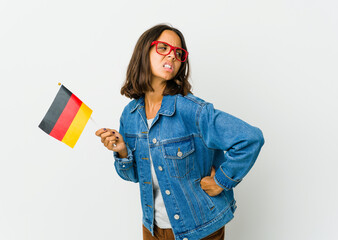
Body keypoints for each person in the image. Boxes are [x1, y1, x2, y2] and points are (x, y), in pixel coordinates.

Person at [95, 23, 264, 240]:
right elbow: (133, 176)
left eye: (178, 52)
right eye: (163, 48)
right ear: (143, 53)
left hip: (200, 228)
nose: (172, 56)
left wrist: (221, 181)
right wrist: (122, 152)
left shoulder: (192, 110)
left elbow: (250, 138)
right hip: (152, 228)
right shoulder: (130, 115)